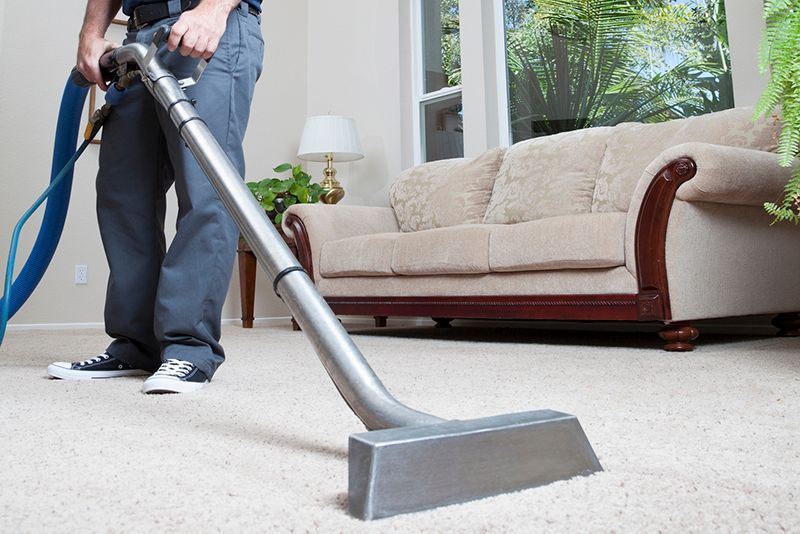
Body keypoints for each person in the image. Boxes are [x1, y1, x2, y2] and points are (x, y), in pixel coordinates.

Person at [47, 0, 264, 393]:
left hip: (205, 25)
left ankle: (189, 347)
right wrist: (91, 34)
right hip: (138, 35)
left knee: (205, 188)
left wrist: (214, 10)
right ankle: (136, 344)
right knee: (122, 194)